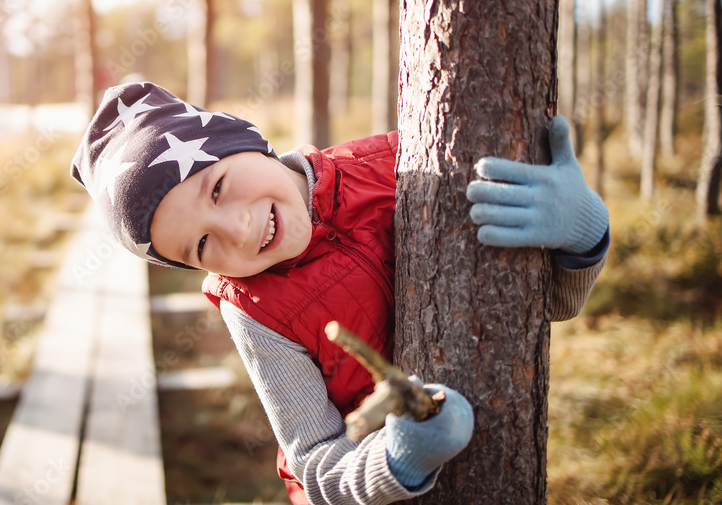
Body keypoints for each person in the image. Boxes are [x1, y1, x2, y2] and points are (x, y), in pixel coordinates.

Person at [71, 82, 609, 504]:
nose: (237, 230)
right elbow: (315, 463)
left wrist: (584, 235)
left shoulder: (398, 162)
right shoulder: (255, 309)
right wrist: (394, 460)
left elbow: (549, 309)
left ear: (250, 143)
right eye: (202, 244)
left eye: (218, 187)